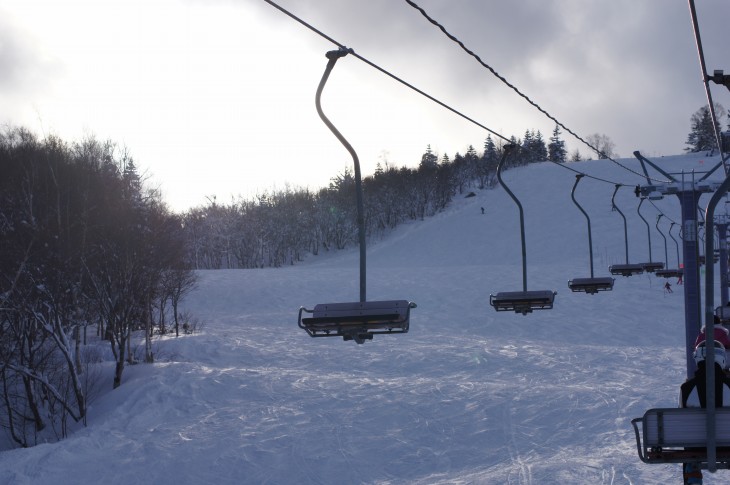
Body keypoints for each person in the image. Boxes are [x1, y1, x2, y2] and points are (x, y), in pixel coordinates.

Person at [679, 340, 730, 484]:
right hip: (728, 442)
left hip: (696, 445)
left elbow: (681, 420)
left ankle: (693, 478)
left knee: (690, 452)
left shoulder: (686, 389)